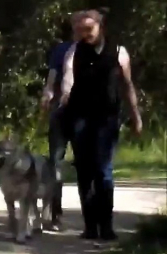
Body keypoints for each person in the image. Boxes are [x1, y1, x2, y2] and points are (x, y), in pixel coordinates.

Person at [60, 9, 143, 240]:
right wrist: (62, 101)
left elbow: (127, 86)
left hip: (107, 119)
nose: (84, 34)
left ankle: (106, 226)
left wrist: (135, 115)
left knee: (103, 170)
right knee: (85, 171)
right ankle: (90, 226)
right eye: (80, 30)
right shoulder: (74, 52)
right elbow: (68, 79)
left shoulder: (118, 53)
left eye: (89, 29)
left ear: (101, 27)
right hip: (79, 118)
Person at [40, 11, 84, 231]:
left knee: (87, 164)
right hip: (61, 112)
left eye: (82, 24)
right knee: (55, 164)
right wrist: (47, 92)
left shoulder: (98, 51)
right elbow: (52, 76)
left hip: (85, 115)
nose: (78, 27)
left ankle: (92, 218)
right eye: (75, 24)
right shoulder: (61, 50)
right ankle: (54, 214)